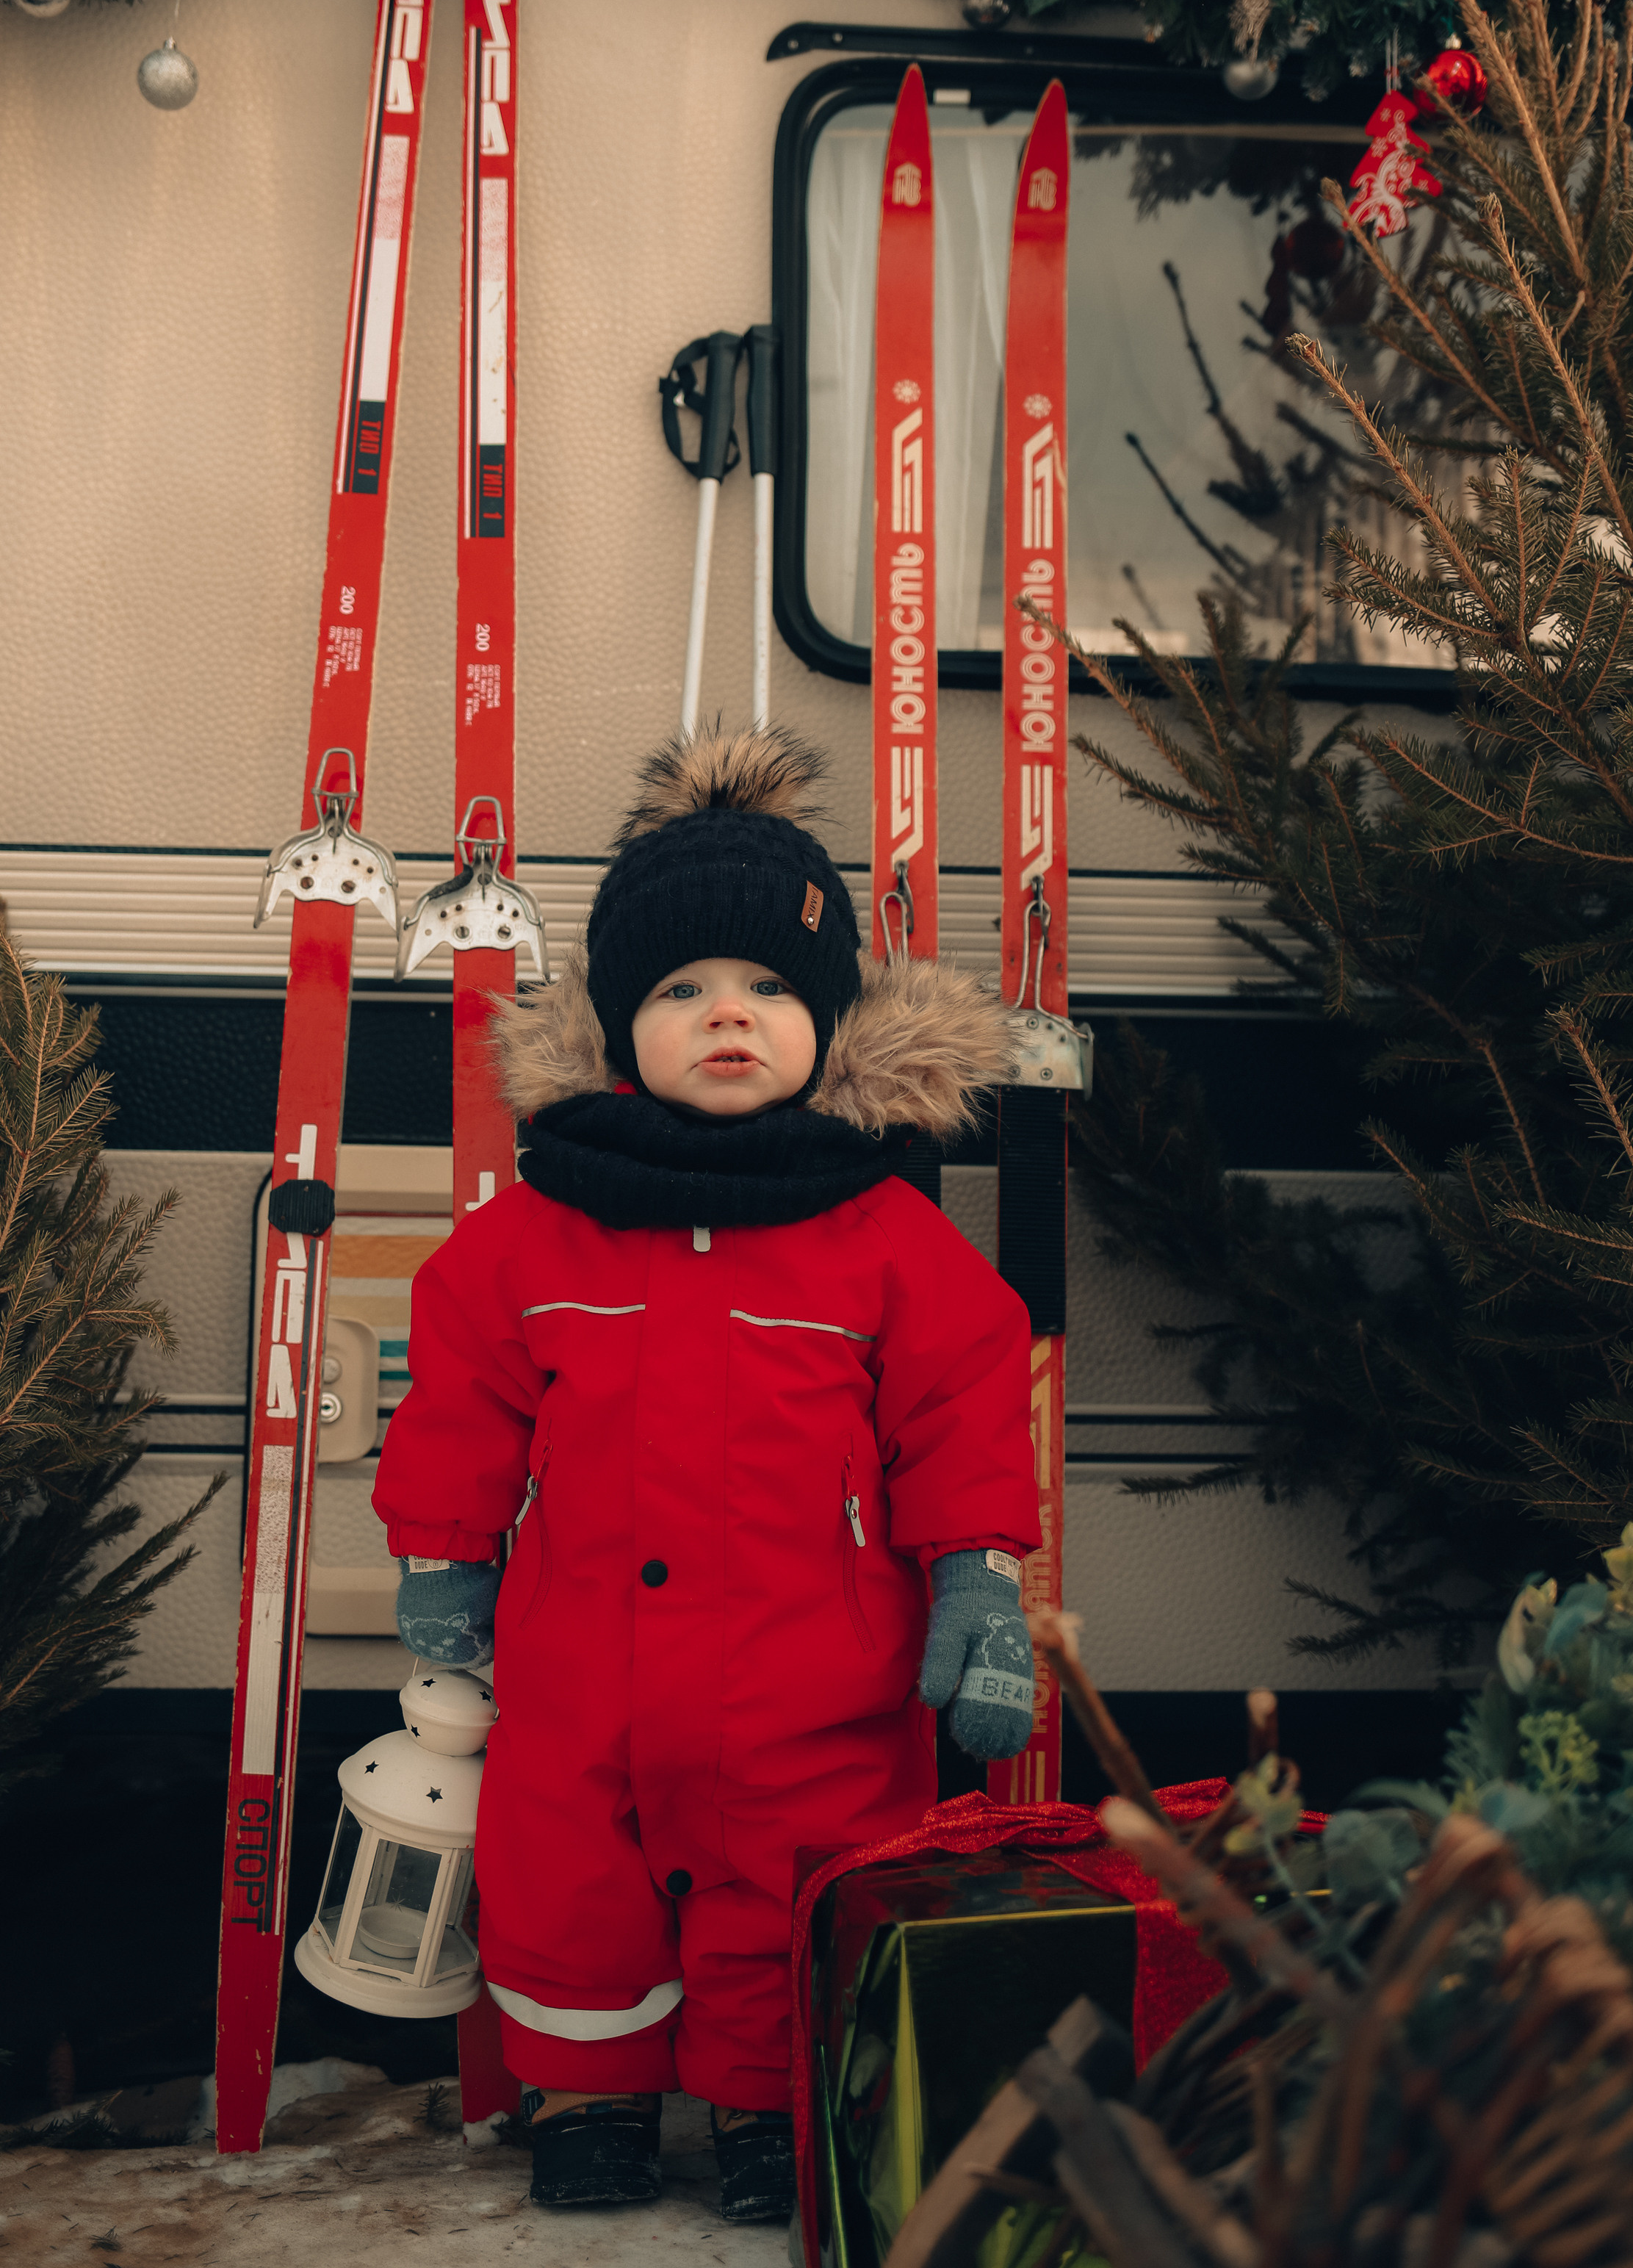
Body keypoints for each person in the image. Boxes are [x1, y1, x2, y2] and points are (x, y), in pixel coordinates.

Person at [372, 724, 1040, 2224]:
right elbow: (465, 1390)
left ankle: (765, 2105)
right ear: (619, 1028)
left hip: (817, 1676)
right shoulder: (541, 1228)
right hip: (584, 1667)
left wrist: (981, 1578)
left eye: (767, 990)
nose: (726, 1015)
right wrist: (443, 1555)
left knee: (794, 1887)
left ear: (829, 1023)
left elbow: (962, 1403)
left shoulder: (882, 1232)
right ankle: (589, 2101)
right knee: (572, 1882)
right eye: (681, 991)